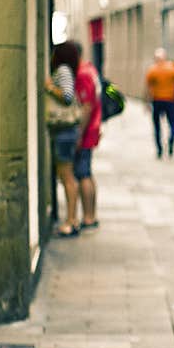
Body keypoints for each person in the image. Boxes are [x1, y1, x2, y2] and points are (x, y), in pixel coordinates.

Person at [44, 42, 81, 237]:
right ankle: (72, 219)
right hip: (65, 131)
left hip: (64, 131)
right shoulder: (66, 70)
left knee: (67, 177)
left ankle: (71, 220)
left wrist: (49, 87)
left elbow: (67, 96)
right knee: (67, 176)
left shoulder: (63, 70)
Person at [73, 42, 102, 230]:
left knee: (82, 173)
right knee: (87, 172)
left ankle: (89, 217)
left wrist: (79, 134)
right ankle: (91, 214)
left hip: (87, 130)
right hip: (93, 127)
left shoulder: (82, 73)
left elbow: (86, 106)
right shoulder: (90, 69)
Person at [144, 48, 174, 159]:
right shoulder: (173, 68)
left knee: (157, 126)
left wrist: (146, 102)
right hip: (171, 100)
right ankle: (171, 142)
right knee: (173, 124)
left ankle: (159, 149)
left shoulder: (152, 70)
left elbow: (148, 87)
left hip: (157, 101)